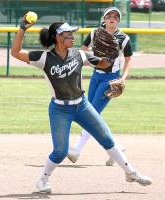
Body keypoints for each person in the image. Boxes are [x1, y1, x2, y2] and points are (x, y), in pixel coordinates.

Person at [11, 16, 152, 194]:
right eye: (69, 34)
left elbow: (102, 64)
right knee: (60, 152)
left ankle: (131, 172)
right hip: (60, 109)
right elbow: (15, 53)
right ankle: (43, 178)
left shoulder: (80, 54)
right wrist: (22, 28)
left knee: (106, 138)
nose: (73, 37)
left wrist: (110, 56)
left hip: (82, 105)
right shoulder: (44, 58)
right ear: (58, 37)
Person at [67, 7, 132, 166]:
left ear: (118, 20)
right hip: (96, 77)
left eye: (116, 17)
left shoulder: (123, 38)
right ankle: (117, 148)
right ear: (104, 19)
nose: (112, 18)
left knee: (91, 114)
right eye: (109, 16)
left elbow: (128, 59)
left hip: (110, 79)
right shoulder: (94, 33)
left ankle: (76, 150)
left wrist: (123, 78)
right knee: (92, 114)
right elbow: (81, 52)